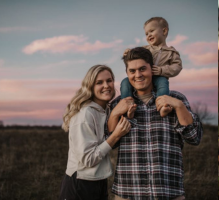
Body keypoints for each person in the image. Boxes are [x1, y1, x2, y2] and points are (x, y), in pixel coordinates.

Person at [107, 47, 202, 200]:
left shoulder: (176, 99)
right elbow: (109, 144)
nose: (138, 75)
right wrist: (114, 113)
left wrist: (178, 106)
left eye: (142, 69)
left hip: (168, 192)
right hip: (128, 192)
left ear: (152, 69)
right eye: (132, 71)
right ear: (127, 73)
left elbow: (194, 138)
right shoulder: (118, 104)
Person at [59, 65, 131, 200]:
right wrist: (115, 135)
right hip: (80, 183)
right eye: (99, 82)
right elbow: (88, 159)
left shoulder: (105, 111)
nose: (106, 85)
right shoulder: (85, 114)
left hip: (98, 181)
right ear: (90, 87)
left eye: (109, 80)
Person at [121, 16, 183, 118]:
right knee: (125, 82)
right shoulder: (144, 48)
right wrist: (128, 52)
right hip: (143, 77)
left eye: (151, 31)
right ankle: (127, 106)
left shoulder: (171, 52)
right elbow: (134, 56)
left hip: (159, 77)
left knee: (163, 83)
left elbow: (177, 67)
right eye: (146, 34)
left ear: (164, 31)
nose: (149, 35)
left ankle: (162, 106)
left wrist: (162, 70)